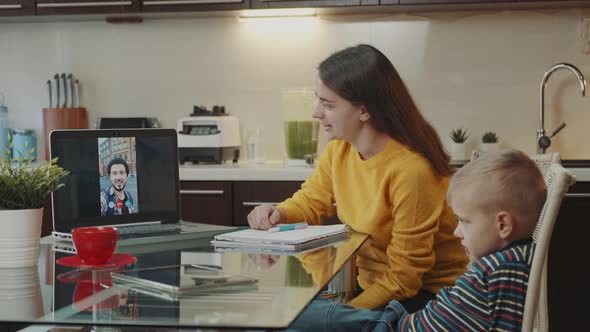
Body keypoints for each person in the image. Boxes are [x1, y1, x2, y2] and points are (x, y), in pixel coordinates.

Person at [248, 44, 469, 311]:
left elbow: (405, 277)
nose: (316, 112)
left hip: (427, 299)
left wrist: (346, 314)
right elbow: (310, 202)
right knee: (286, 312)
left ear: (364, 111)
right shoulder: (339, 151)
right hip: (374, 288)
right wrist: (278, 213)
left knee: (294, 318)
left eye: (328, 104)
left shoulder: (412, 172)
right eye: (318, 100)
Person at [286, 149, 547, 332]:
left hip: (389, 327)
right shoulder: (509, 261)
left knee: (302, 314)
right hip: (400, 320)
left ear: (502, 225)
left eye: (465, 222)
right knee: (311, 314)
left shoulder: (498, 271)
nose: (457, 232)